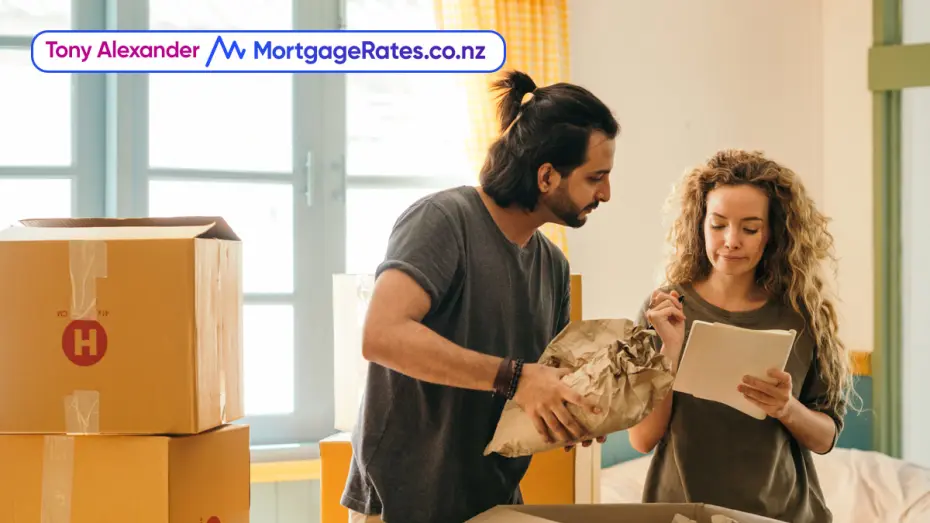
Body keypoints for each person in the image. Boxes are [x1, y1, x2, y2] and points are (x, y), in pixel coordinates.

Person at [340, 70, 619, 523]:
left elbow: (537, 384)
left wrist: (578, 411)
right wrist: (516, 378)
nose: (606, 193)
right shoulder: (443, 220)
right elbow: (382, 336)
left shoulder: (553, 266)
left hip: (494, 504)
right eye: (596, 177)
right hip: (401, 506)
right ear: (547, 176)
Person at [629, 149, 854, 523]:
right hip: (681, 513)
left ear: (772, 233)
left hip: (781, 515)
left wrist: (786, 408)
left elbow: (825, 437)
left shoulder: (802, 316)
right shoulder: (665, 309)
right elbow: (641, 440)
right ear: (699, 225)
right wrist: (669, 353)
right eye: (718, 225)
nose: (732, 240)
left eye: (749, 228)